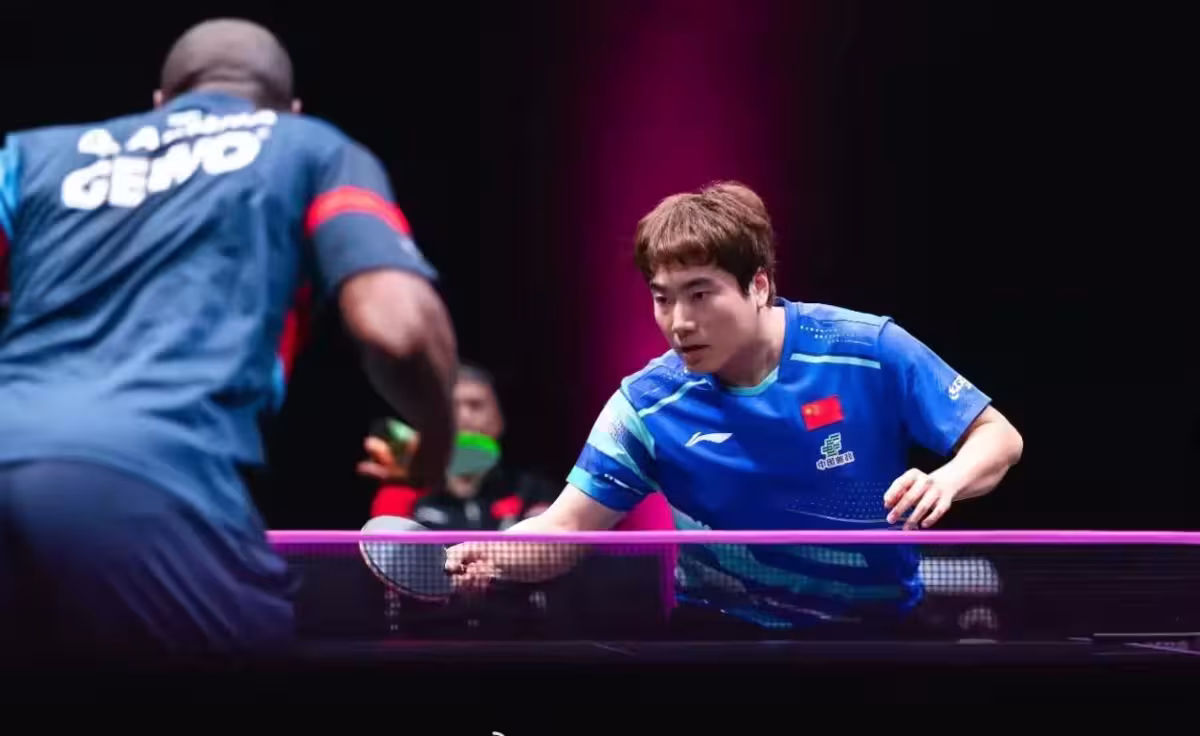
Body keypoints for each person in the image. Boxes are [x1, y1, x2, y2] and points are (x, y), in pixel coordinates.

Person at [0, 18, 458, 665]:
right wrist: (433, 450)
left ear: (160, 102)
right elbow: (401, 329)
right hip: (154, 480)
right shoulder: (310, 147)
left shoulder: (29, 155)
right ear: (289, 108)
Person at [447, 181, 1023, 638]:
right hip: (721, 640)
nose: (679, 322)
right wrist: (492, 556)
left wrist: (947, 480)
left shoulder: (864, 349)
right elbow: (566, 528)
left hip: (875, 636)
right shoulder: (648, 404)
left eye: (700, 294)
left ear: (759, 287)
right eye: (662, 298)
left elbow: (997, 436)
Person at [360, 361, 561, 527]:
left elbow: (552, 549)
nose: (464, 417)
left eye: (476, 405)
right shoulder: (404, 492)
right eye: (453, 406)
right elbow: (387, 554)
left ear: (499, 420)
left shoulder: (531, 490)